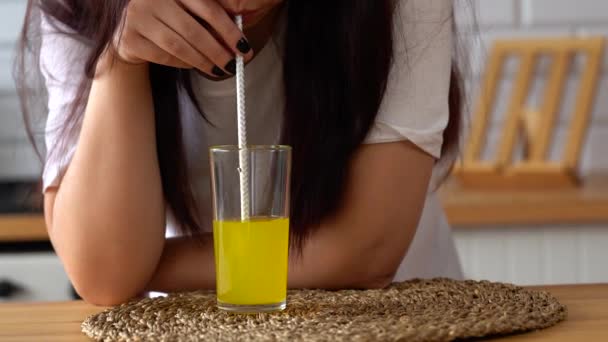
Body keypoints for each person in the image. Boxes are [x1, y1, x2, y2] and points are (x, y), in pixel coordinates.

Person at [18, 0, 464, 306]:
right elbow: (104, 272)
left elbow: (366, 251)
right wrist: (119, 58)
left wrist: (136, 267)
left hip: (400, 319)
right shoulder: (81, 7)